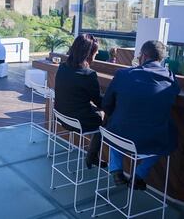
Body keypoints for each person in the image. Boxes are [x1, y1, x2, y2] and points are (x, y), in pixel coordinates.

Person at [102, 40, 180, 190]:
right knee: (170, 141)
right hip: (150, 142)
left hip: (119, 138)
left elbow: (106, 104)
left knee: (117, 125)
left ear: (143, 56)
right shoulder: (170, 78)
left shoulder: (123, 74)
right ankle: (139, 174)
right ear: (161, 59)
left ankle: (116, 169)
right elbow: (173, 93)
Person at [54, 34, 106, 168]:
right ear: (89, 53)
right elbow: (100, 103)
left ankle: (92, 156)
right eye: (96, 51)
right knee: (105, 118)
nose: (98, 53)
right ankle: (92, 156)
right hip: (77, 121)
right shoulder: (89, 75)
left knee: (97, 112)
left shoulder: (63, 67)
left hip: (62, 116)